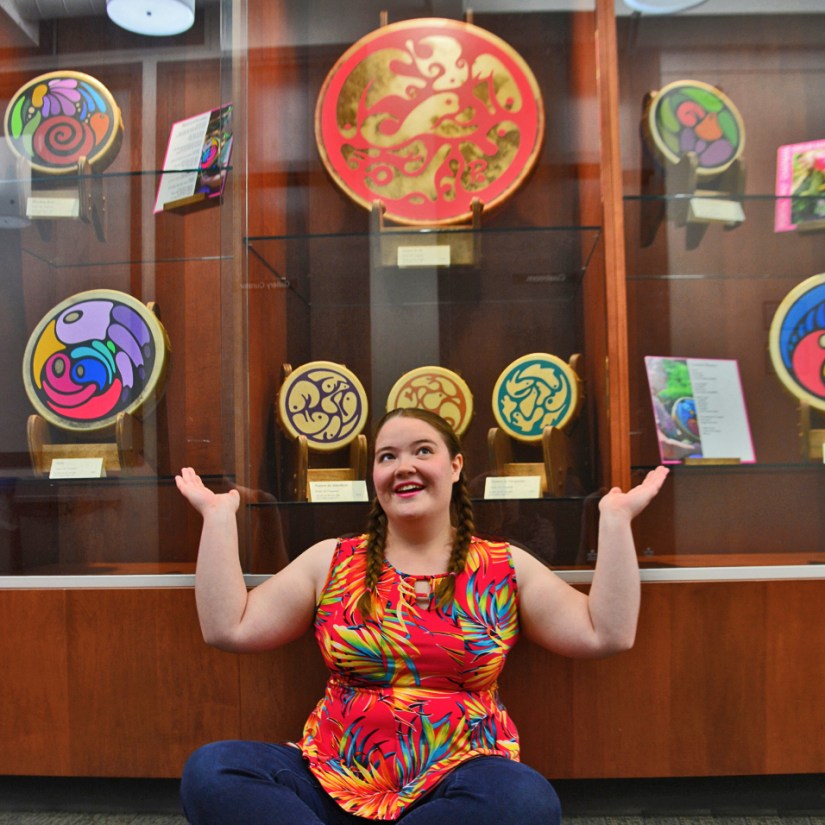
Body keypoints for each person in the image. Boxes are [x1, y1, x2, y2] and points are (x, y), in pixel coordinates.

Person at [176, 407, 669, 825]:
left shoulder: (503, 566)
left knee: (525, 802)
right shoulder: (332, 559)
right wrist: (218, 521)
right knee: (213, 770)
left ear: (455, 466)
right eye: (387, 457)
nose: (402, 467)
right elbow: (229, 627)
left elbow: (605, 633)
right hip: (330, 779)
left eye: (422, 451)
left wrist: (616, 522)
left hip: (457, 784)